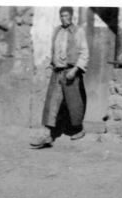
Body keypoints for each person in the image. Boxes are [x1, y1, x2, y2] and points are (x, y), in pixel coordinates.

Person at [30, 6, 89, 149]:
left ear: (72, 16)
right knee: (52, 103)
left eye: (67, 16)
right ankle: (47, 135)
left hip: (71, 72)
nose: (64, 18)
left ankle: (79, 129)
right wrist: (53, 64)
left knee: (74, 103)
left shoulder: (78, 31)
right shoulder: (56, 31)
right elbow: (54, 50)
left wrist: (75, 70)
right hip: (57, 72)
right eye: (62, 16)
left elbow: (85, 53)